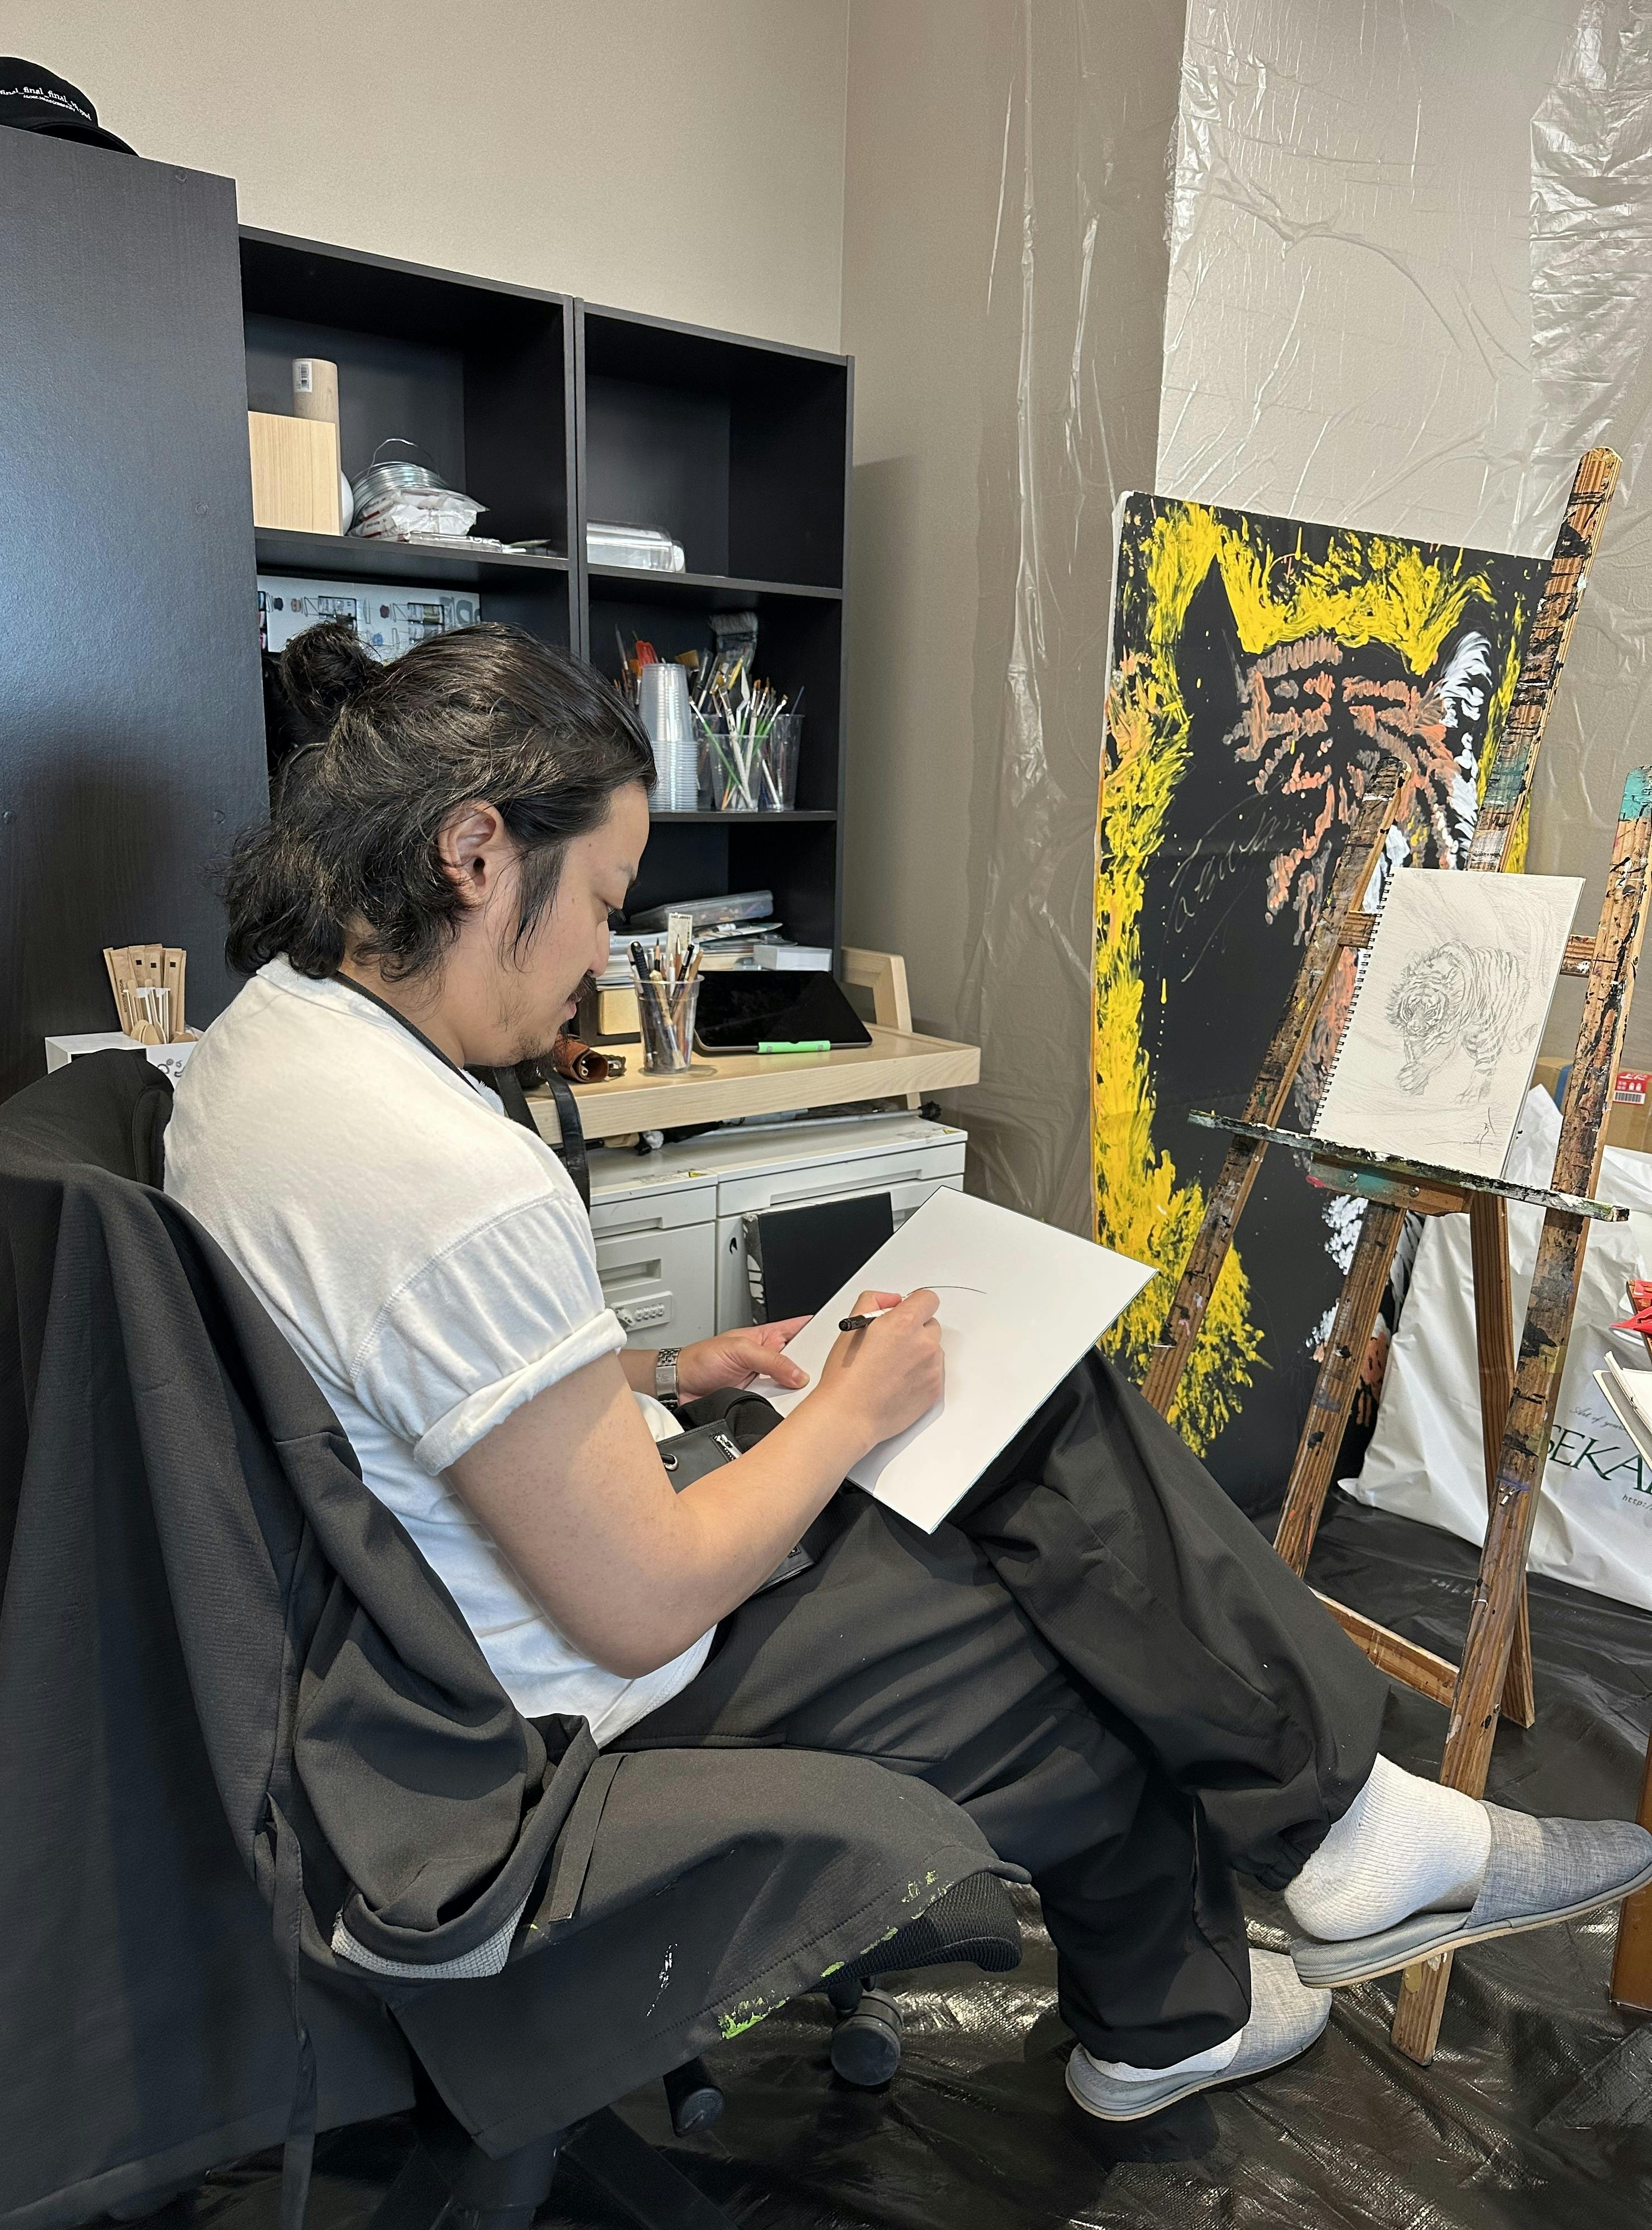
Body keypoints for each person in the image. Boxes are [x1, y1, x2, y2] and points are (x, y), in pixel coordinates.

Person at [165, 622, 1652, 2125]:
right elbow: (642, 1602)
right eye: (605, 904)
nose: (604, 958)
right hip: (557, 1708)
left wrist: (670, 1366)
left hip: (427, 1644)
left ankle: (1326, 1852)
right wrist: (849, 1411)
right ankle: (1211, 1977)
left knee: (1040, 1416)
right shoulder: (446, 1172)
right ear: (477, 852)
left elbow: (415, 1371)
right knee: (1084, 1631)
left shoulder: (259, 1051)